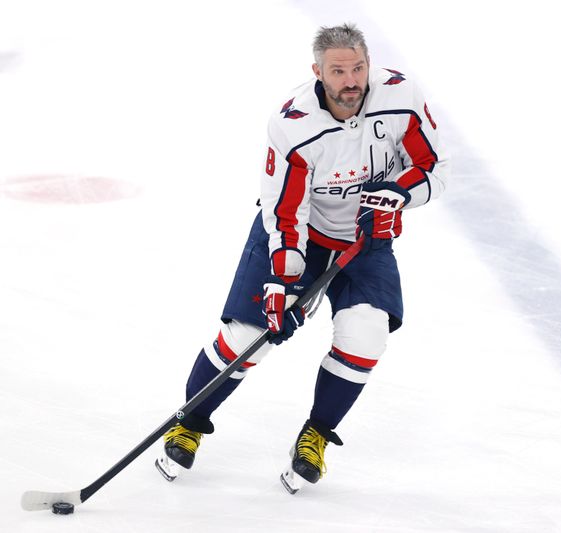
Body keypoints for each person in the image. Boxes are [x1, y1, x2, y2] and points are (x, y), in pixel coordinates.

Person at [156, 23, 449, 493]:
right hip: (299, 237)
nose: (351, 80)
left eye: (357, 68)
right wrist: (282, 282)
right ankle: (189, 422)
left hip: (365, 241)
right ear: (318, 73)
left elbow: (432, 167)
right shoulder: (293, 125)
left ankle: (315, 435)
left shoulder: (402, 97)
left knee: (367, 336)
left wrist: (398, 195)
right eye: (338, 71)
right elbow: (286, 213)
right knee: (248, 336)